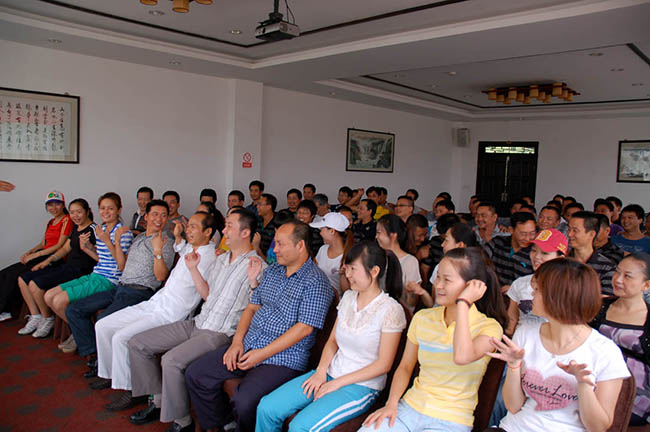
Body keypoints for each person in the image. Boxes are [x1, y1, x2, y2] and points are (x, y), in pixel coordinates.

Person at [184, 221, 334, 432]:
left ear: (300, 245)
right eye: (275, 243)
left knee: (245, 402)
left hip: (283, 358)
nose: (275, 249)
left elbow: (304, 329)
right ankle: (219, 425)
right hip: (249, 345)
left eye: (280, 244)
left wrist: (261, 354)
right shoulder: (273, 271)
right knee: (196, 373)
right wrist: (237, 343)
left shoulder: (316, 282)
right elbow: (252, 307)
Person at [127, 209, 265, 431]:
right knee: (138, 343)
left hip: (219, 333)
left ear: (245, 232)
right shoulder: (222, 260)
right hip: (199, 322)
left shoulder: (257, 267)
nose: (224, 231)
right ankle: (158, 401)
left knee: (171, 361)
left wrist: (254, 285)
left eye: (229, 226)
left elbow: (257, 310)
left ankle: (182, 421)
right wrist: (193, 269)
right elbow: (208, 295)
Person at [256, 241, 407, 431]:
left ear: (374, 271)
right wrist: (321, 372)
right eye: (347, 268)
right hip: (330, 372)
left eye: (353, 269)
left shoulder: (391, 310)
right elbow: (333, 341)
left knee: (300, 426)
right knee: (267, 408)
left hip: (361, 386)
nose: (347, 274)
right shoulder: (349, 298)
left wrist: (337, 383)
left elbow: (383, 364)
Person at [360, 247, 507, 432]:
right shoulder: (423, 318)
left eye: (447, 280)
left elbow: (462, 356)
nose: (438, 285)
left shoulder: (489, 328)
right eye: (438, 277)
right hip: (409, 408)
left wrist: (463, 303)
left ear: (471, 286)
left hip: (451, 420)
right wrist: (391, 403)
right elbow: (405, 367)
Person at [93, 211, 217, 411]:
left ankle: (133, 390)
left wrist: (161, 250)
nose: (189, 230)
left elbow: (207, 293)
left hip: (171, 313)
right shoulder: (191, 247)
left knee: (121, 338)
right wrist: (178, 236)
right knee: (103, 325)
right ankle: (111, 374)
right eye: (189, 226)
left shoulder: (211, 257)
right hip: (155, 302)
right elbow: (180, 247)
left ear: (208, 232)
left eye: (193, 227)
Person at [490, 258, 630, 432]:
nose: (532, 294)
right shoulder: (525, 333)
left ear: (557, 297)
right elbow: (512, 406)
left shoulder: (605, 351)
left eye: (537, 290)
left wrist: (584, 385)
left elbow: (598, 427)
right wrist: (514, 365)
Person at [65, 200, 175, 372]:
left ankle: (105, 365)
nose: (159, 219)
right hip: (120, 287)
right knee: (74, 309)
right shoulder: (139, 238)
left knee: (104, 321)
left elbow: (161, 276)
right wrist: (115, 241)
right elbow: (122, 265)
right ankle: (94, 354)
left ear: (167, 218)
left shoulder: (165, 242)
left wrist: (157, 251)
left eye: (163, 215)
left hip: (138, 292)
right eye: (155, 214)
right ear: (146, 216)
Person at [43, 193, 134, 325]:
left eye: (110, 208)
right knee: (49, 296)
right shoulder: (101, 229)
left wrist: (107, 241)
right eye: (102, 208)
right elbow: (102, 260)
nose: (105, 212)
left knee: (59, 301)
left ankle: (81, 333)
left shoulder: (123, 232)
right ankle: (78, 331)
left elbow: (121, 266)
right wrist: (86, 248)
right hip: (95, 275)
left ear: (119, 210)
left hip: (109, 280)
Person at [16, 199, 97, 339]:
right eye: (72, 213)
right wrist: (46, 262)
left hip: (81, 271)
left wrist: (88, 247)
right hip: (68, 267)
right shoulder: (76, 228)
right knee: (27, 279)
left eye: (79, 212)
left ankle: (48, 319)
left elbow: (99, 255)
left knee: (36, 284)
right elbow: (65, 249)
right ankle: (39, 317)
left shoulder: (94, 230)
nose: (75, 216)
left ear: (87, 211)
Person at [590, 253, 650, 426]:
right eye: (617, 272)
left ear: (646, 285)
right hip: (592, 385)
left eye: (627, 276)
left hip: (635, 398)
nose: (618, 279)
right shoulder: (599, 306)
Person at [0, 190, 72, 321]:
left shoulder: (67, 220)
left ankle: (6, 310)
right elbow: (43, 243)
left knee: (13, 276)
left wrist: (35, 255)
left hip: (54, 258)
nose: (54, 208)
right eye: (50, 205)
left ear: (63, 205)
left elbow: (59, 245)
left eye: (57, 204)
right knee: (4, 273)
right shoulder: (51, 222)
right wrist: (30, 252)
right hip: (42, 254)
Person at [506, 229, 568, 333]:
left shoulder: (568, 288)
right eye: (534, 250)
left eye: (544, 253)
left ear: (560, 258)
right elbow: (512, 320)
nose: (537, 257)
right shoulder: (519, 284)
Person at [376, 215, 421, 312]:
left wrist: (410, 291)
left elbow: (412, 303)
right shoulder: (377, 258)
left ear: (393, 235)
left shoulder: (410, 261)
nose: (376, 237)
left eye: (379, 233)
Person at [567, 211, 616, 295]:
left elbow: (605, 299)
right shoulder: (561, 261)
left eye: (575, 230)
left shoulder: (607, 267)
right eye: (569, 229)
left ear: (591, 234)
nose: (569, 234)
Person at [485, 212, 537, 289]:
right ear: (511, 230)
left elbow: (538, 281)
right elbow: (481, 258)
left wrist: (513, 289)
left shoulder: (536, 252)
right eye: (523, 234)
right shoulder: (497, 243)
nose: (527, 238)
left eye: (532, 233)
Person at [310, 212, 350, 298]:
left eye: (322, 229)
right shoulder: (323, 249)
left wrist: (343, 275)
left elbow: (347, 292)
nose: (320, 233)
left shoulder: (348, 256)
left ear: (332, 231)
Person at [254, 193, 279, 258]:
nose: (257, 206)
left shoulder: (278, 222)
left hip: (272, 259)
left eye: (260, 204)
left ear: (269, 207)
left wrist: (257, 248)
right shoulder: (257, 221)